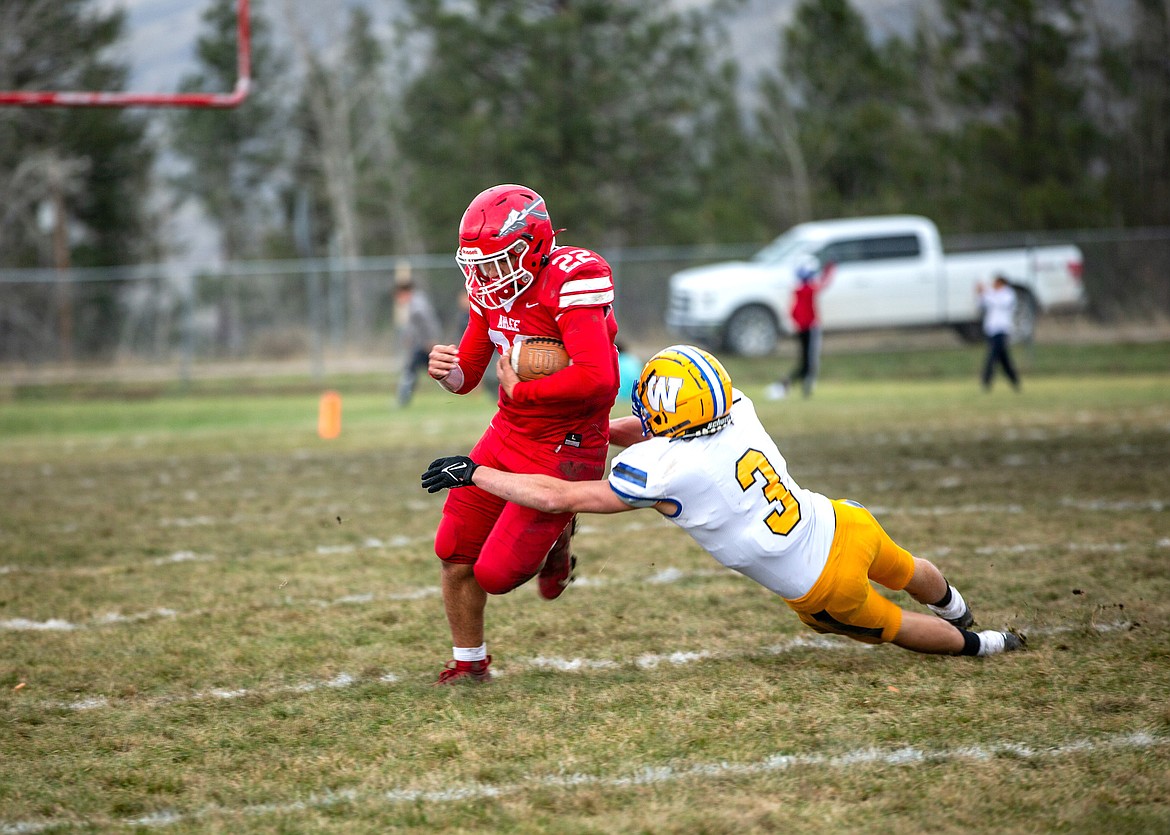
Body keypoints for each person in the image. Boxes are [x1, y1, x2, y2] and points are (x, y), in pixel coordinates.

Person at [423, 344, 1025, 668]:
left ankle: (984, 646)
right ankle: (960, 608)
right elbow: (656, 426)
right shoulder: (734, 406)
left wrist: (475, 471)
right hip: (843, 520)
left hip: (822, 588)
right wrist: (596, 429)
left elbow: (559, 495)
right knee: (908, 567)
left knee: (895, 628)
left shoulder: (668, 470)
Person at [425, 183, 621, 684]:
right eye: (478, 264)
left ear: (531, 246)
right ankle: (470, 665)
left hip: (568, 444)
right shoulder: (490, 294)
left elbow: (600, 379)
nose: (486, 276)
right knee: (454, 551)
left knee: (497, 573)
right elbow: (467, 377)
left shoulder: (570, 280)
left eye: (497, 261)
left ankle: (561, 525)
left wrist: (524, 393)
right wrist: (444, 370)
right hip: (509, 432)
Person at [766, 256, 834, 400]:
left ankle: (804, 389)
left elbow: (793, 312)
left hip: (802, 329)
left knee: (806, 363)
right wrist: (830, 270)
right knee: (809, 363)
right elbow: (823, 284)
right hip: (809, 328)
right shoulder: (807, 290)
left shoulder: (798, 290)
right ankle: (792, 386)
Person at [392, 261, 443, 407]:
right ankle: (404, 398)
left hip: (424, 345)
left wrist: (432, 340)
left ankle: (403, 400)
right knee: (423, 370)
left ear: (403, 293)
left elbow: (428, 323)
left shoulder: (417, 305)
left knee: (412, 370)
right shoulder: (417, 301)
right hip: (421, 344)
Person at [977, 274, 1021, 392]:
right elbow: (981, 304)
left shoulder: (1008, 294)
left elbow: (1000, 303)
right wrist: (981, 293)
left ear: (1001, 283)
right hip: (991, 330)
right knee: (1004, 359)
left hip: (1002, 330)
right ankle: (1014, 380)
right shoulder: (992, 293)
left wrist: (986, 293)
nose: (993, 285)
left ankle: (986, 381)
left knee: (992, 357)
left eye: (995, 283)